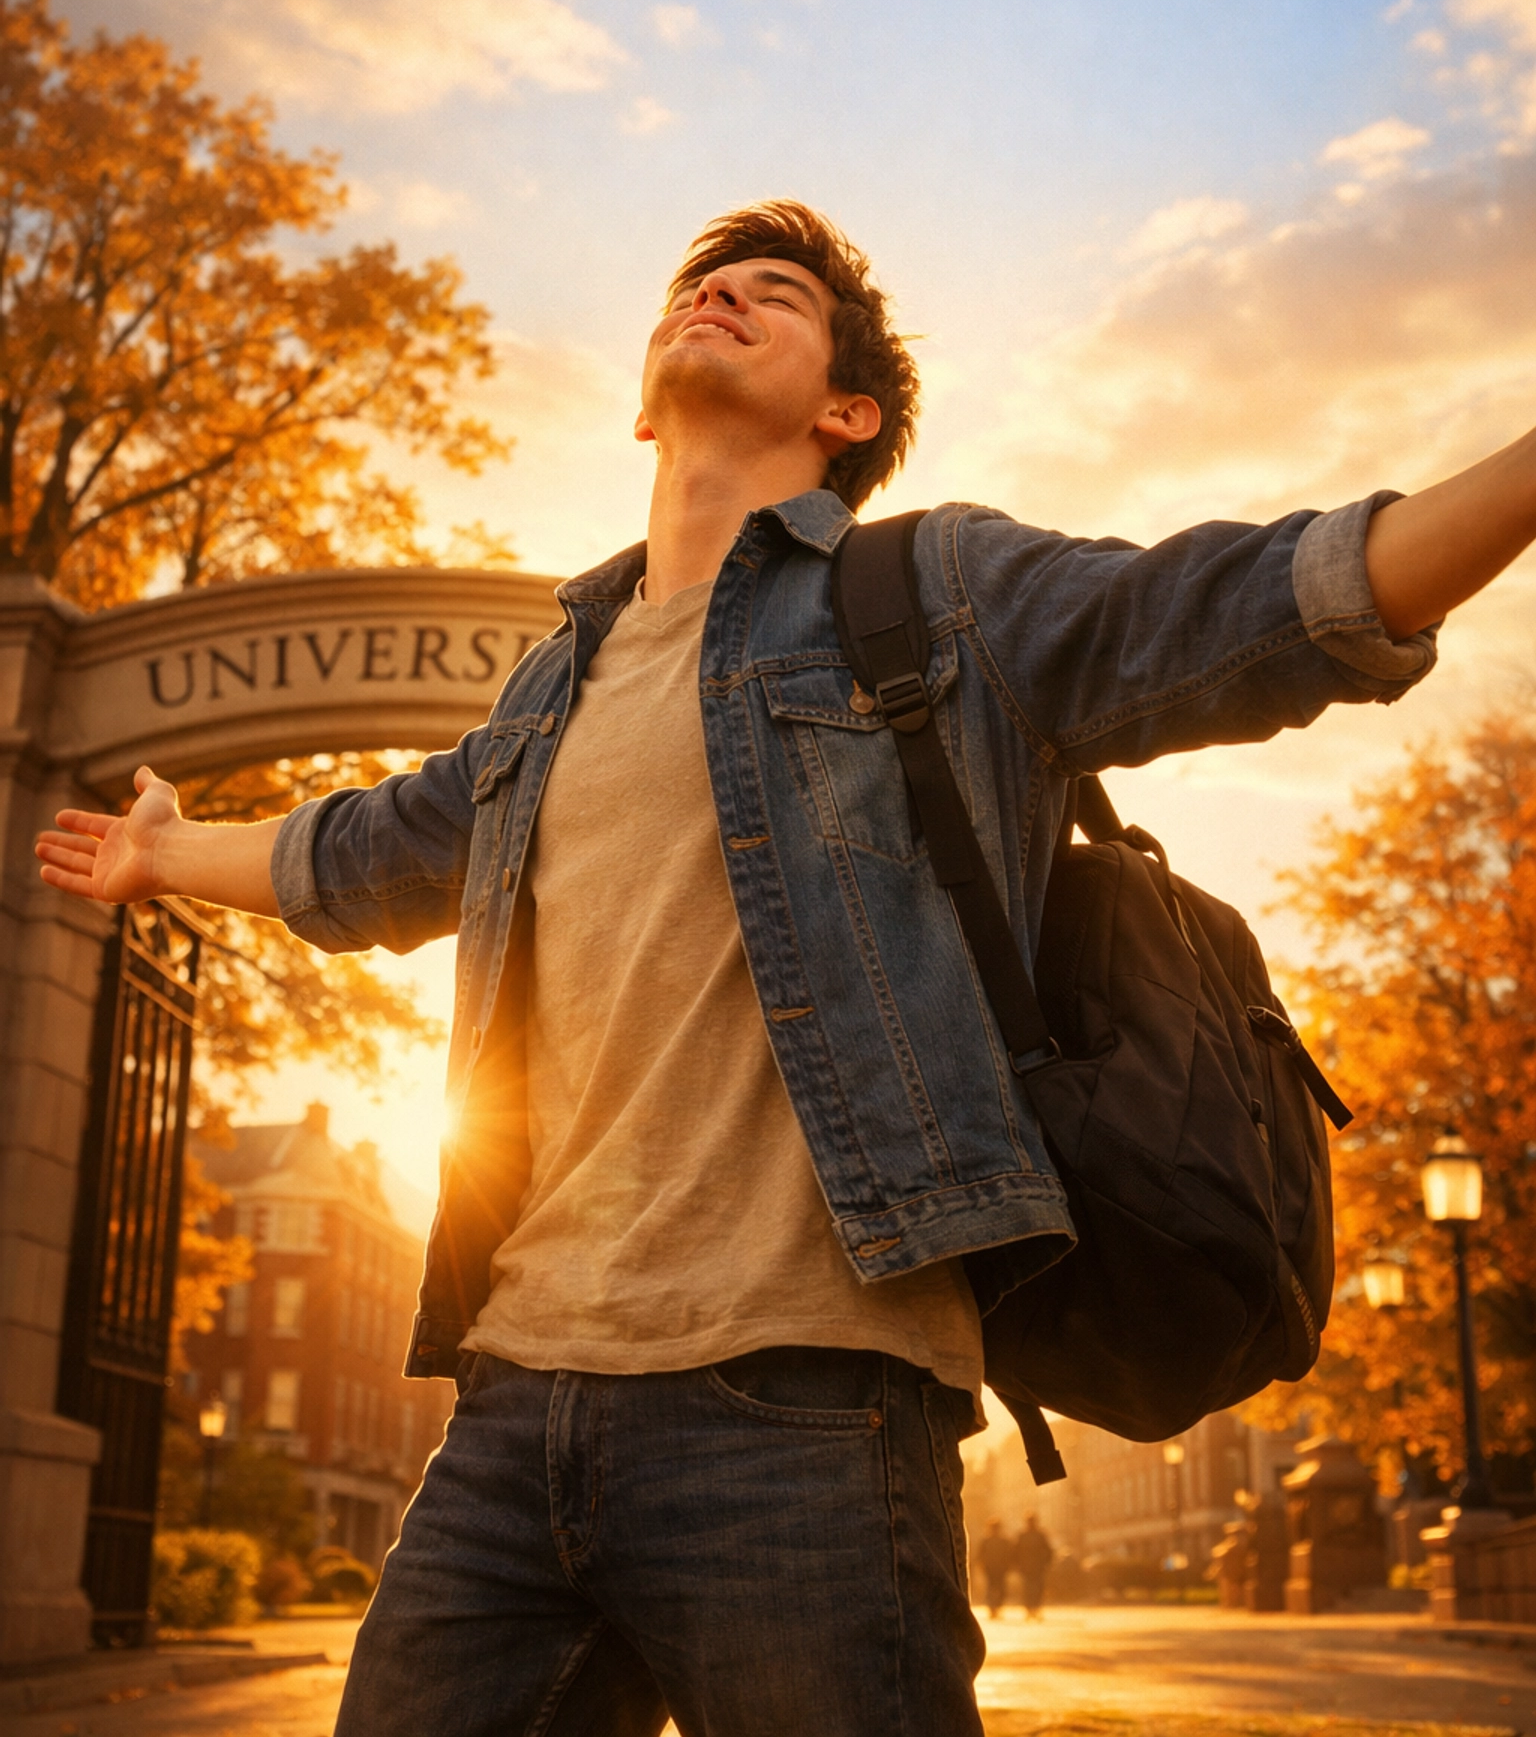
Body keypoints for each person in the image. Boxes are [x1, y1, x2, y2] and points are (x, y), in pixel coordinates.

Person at [34, 201, 1536, 1736]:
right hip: (510, 1408)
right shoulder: (550, 692)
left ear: (847, 410)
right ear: (636, 399)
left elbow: (1264, 603)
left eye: (775, 296)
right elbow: (362, 852)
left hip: (808, 1410)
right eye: (703, 282)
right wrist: (165, 853)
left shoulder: (937, 594)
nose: (723, 296)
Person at [1015, 1513, 1054, 1621]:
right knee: (1035, 1589)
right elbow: (1048, 1551)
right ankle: (1033, 1609)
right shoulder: (1039, 1535)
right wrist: (1047, 1563)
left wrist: (1017, 1564)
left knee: (1031, 1589)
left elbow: (1015, 1552)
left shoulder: (1024, 1535)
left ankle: (1032, 1609)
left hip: (1030, 1568)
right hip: (1036, 1568)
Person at [977, 1518, 1015, 1620]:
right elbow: (980, 1555)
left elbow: (1009, 1555)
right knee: (992, 1588)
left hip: (1000, 1569)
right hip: (991, 1569)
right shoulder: (987, 1540)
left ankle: (996, 1607)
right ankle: (993, 1608)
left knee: (1000, 1589)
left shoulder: (1003, 1541)